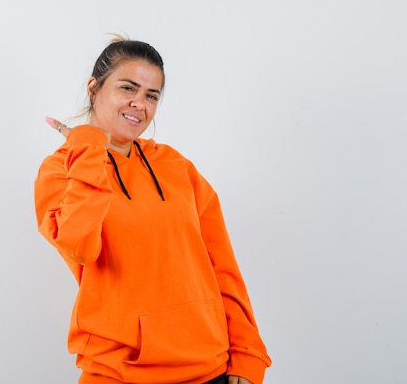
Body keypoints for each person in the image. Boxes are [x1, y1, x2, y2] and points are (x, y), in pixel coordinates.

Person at [34, 37, 271, 384]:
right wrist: (86, 149)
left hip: (210, 369)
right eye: (128, 87)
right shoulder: (60, 171)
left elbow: (222, 266)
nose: (139, 104)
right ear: (94, 88)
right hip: (118, 373)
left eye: (151, 95)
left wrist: (248, 354)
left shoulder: (176, 166)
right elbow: (79, 245)